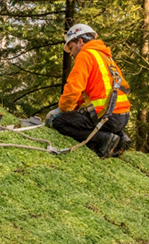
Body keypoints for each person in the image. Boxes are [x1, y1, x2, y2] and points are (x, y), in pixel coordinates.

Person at [46, 24, 131, 158]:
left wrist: (61, 109)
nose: (71, 54)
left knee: (60, 122)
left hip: (106, 117)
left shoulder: (85, 55)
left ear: (80, 42)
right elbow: (86, 94)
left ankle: (104, 139)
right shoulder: (105, 57)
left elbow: (74, 88)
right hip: (122, 117)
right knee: (81, 117)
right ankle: (120, 136)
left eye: (71, 48)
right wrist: (73, 109)